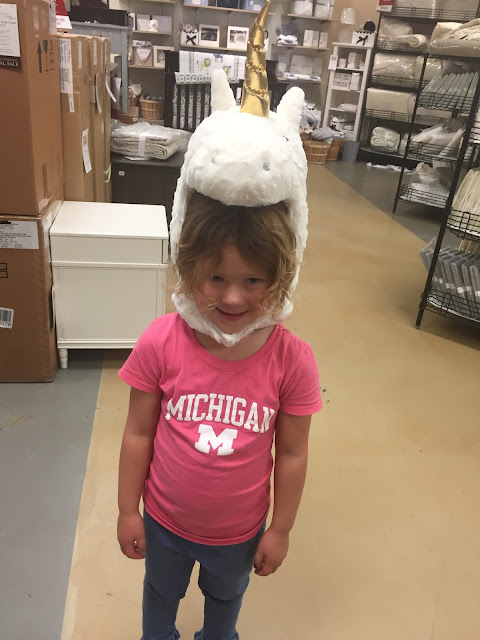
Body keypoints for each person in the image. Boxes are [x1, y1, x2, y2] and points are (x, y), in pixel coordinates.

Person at [117, 3, 322, 639]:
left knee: (224, 604)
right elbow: (138, 433)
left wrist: (281, 528)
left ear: (281, 271)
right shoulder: (161, 341)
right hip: (163, 525)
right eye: (215, 279)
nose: (233, 297)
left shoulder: (292, 360)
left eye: (253, 281)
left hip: (239, 533)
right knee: (160, 598)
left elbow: (292, 452)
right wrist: (127, 510)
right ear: (187, 264)